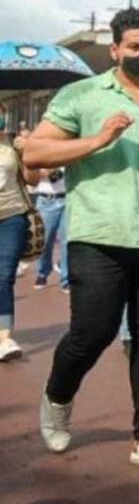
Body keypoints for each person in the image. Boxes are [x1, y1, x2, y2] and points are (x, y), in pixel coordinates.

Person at [24, 7, 139, 467]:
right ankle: (57, 398)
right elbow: (35, 154)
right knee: (93, 332)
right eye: (136, 47)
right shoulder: (83, 96)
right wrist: (97, 140)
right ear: (115, 50)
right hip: (100, 237)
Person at [1, 114, 34, 362]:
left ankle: (4, 338)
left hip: (12, 216)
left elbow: (33, 178)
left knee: (4, 277)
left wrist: (29, 155)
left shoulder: (13, 143)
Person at [31, 165, 70, 292]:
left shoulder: (71, 148)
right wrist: (49, 172)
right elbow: (31, 175)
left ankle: (66, 279)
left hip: (68, 198)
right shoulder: (43, 148)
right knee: (45, 241)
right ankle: (43, 273)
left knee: (67, 241)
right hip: (47, 200)